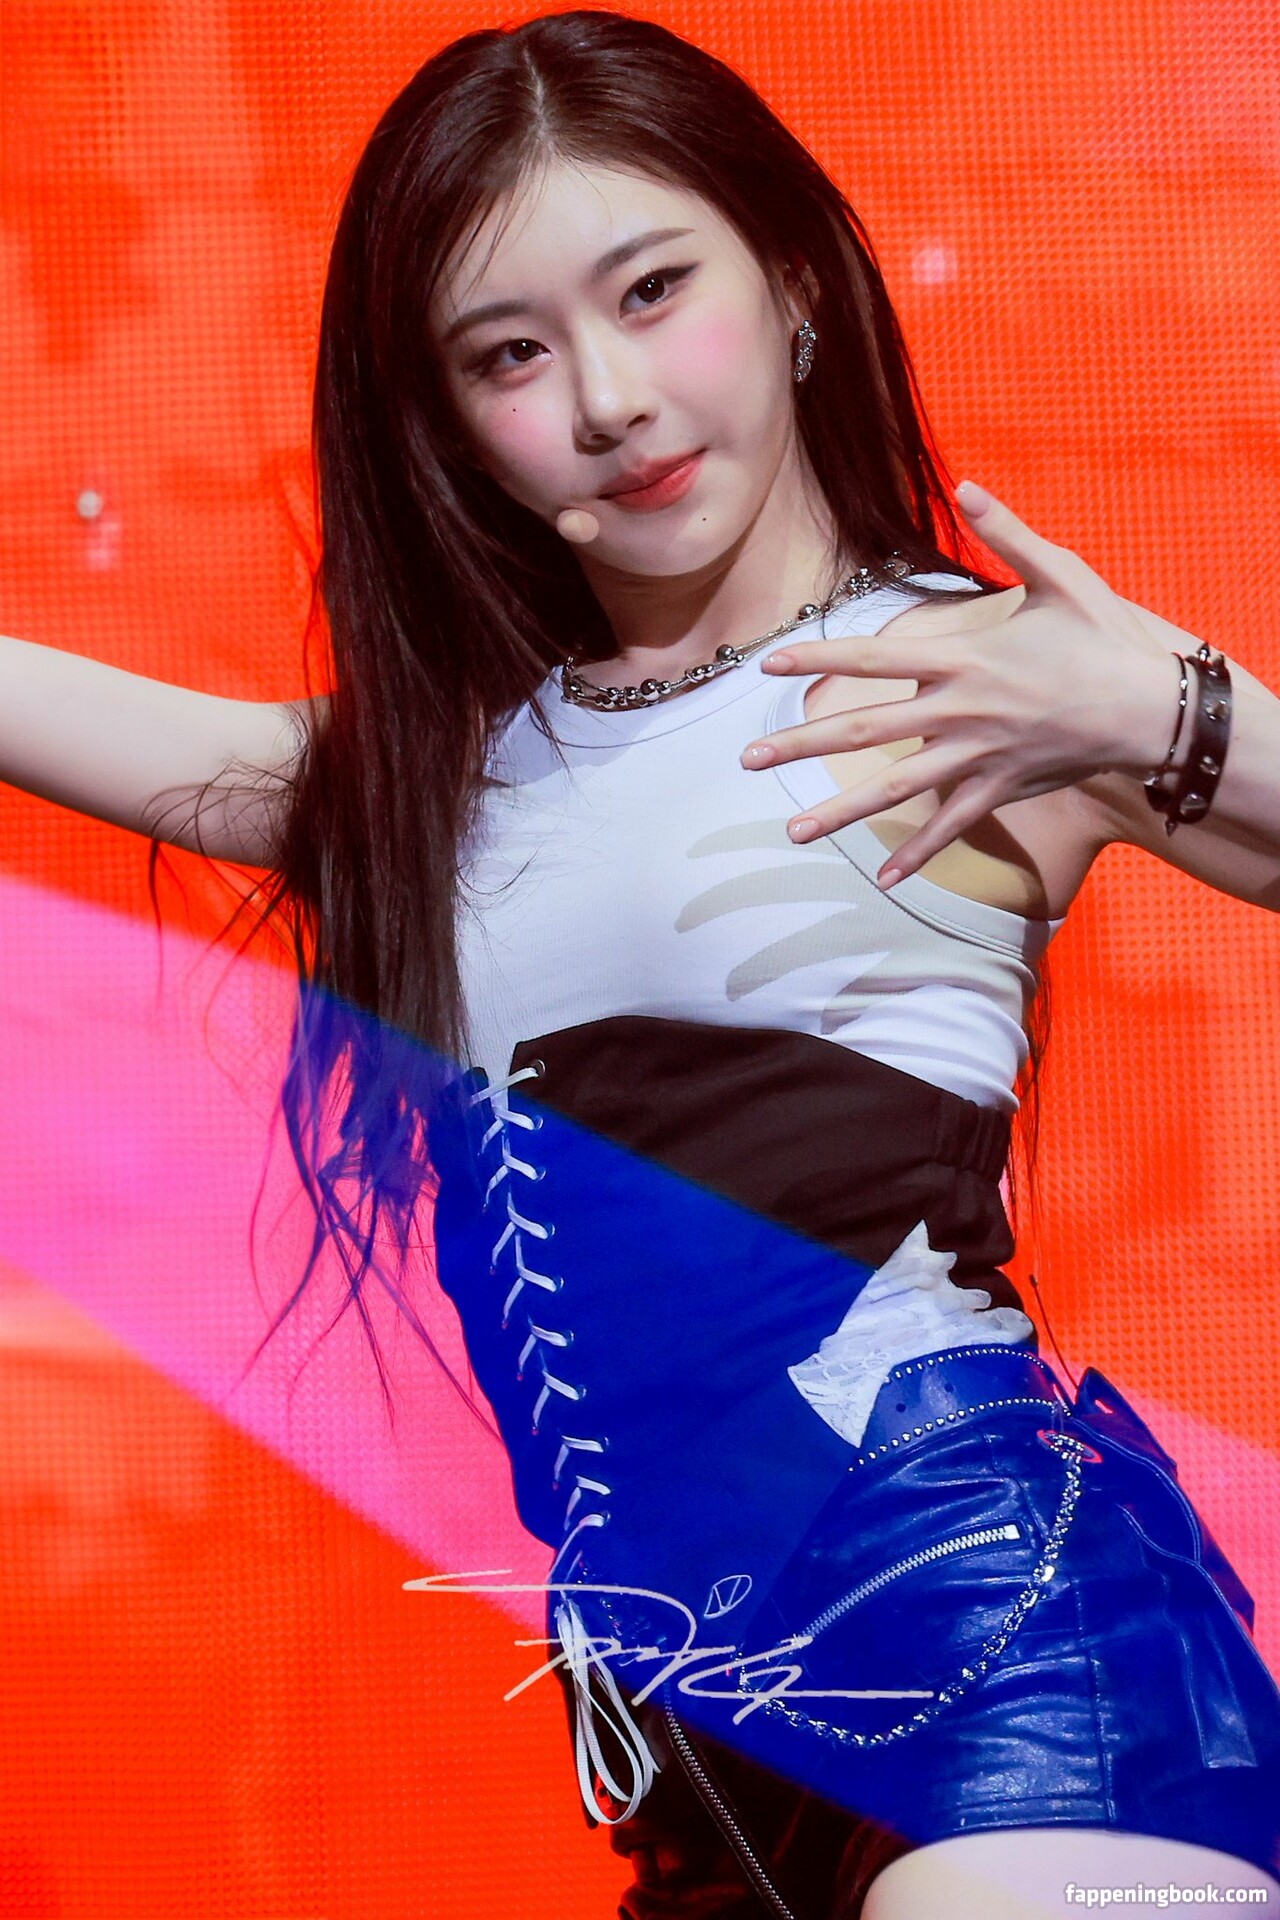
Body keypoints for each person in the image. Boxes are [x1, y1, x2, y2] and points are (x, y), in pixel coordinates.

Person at [3, 11, 1280, 1915]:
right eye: (509, 354)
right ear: (447, 426)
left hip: (1016, 1672)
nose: (608, 398)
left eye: (654, 289)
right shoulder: (433, 788)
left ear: (794, 283)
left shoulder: (977, 676)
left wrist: (1165, 708)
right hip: (706, 1784)